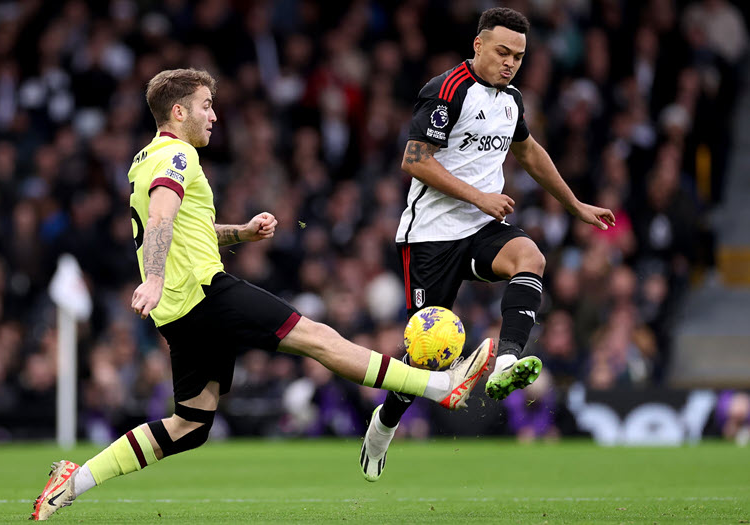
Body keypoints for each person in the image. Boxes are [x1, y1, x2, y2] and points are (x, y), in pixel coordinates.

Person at [30, 68, 494, 521]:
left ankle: (72, 482)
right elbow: (160, 222)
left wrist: (243, 234)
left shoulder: (145, 159)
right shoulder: (179, 158)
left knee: (190, 424)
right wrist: (152, 278)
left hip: (178, 311)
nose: (214, 116)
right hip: (204, 293)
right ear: (177, 111)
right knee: (317, 338)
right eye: (206, 106)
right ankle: (441, 386)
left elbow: (188, 228)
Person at [359, 7, 615, 482]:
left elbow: (530, 152)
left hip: (480, 229)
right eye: (502, 51)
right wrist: (480, 196)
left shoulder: (511, 99)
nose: (511, 62)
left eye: (518, 55)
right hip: (431, 236)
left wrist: (576, 205)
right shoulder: (446, 90)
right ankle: (383, 426)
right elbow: (414, 160)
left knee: (530, 257)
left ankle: (508, 360)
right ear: (478, 45)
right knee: (424, 358)